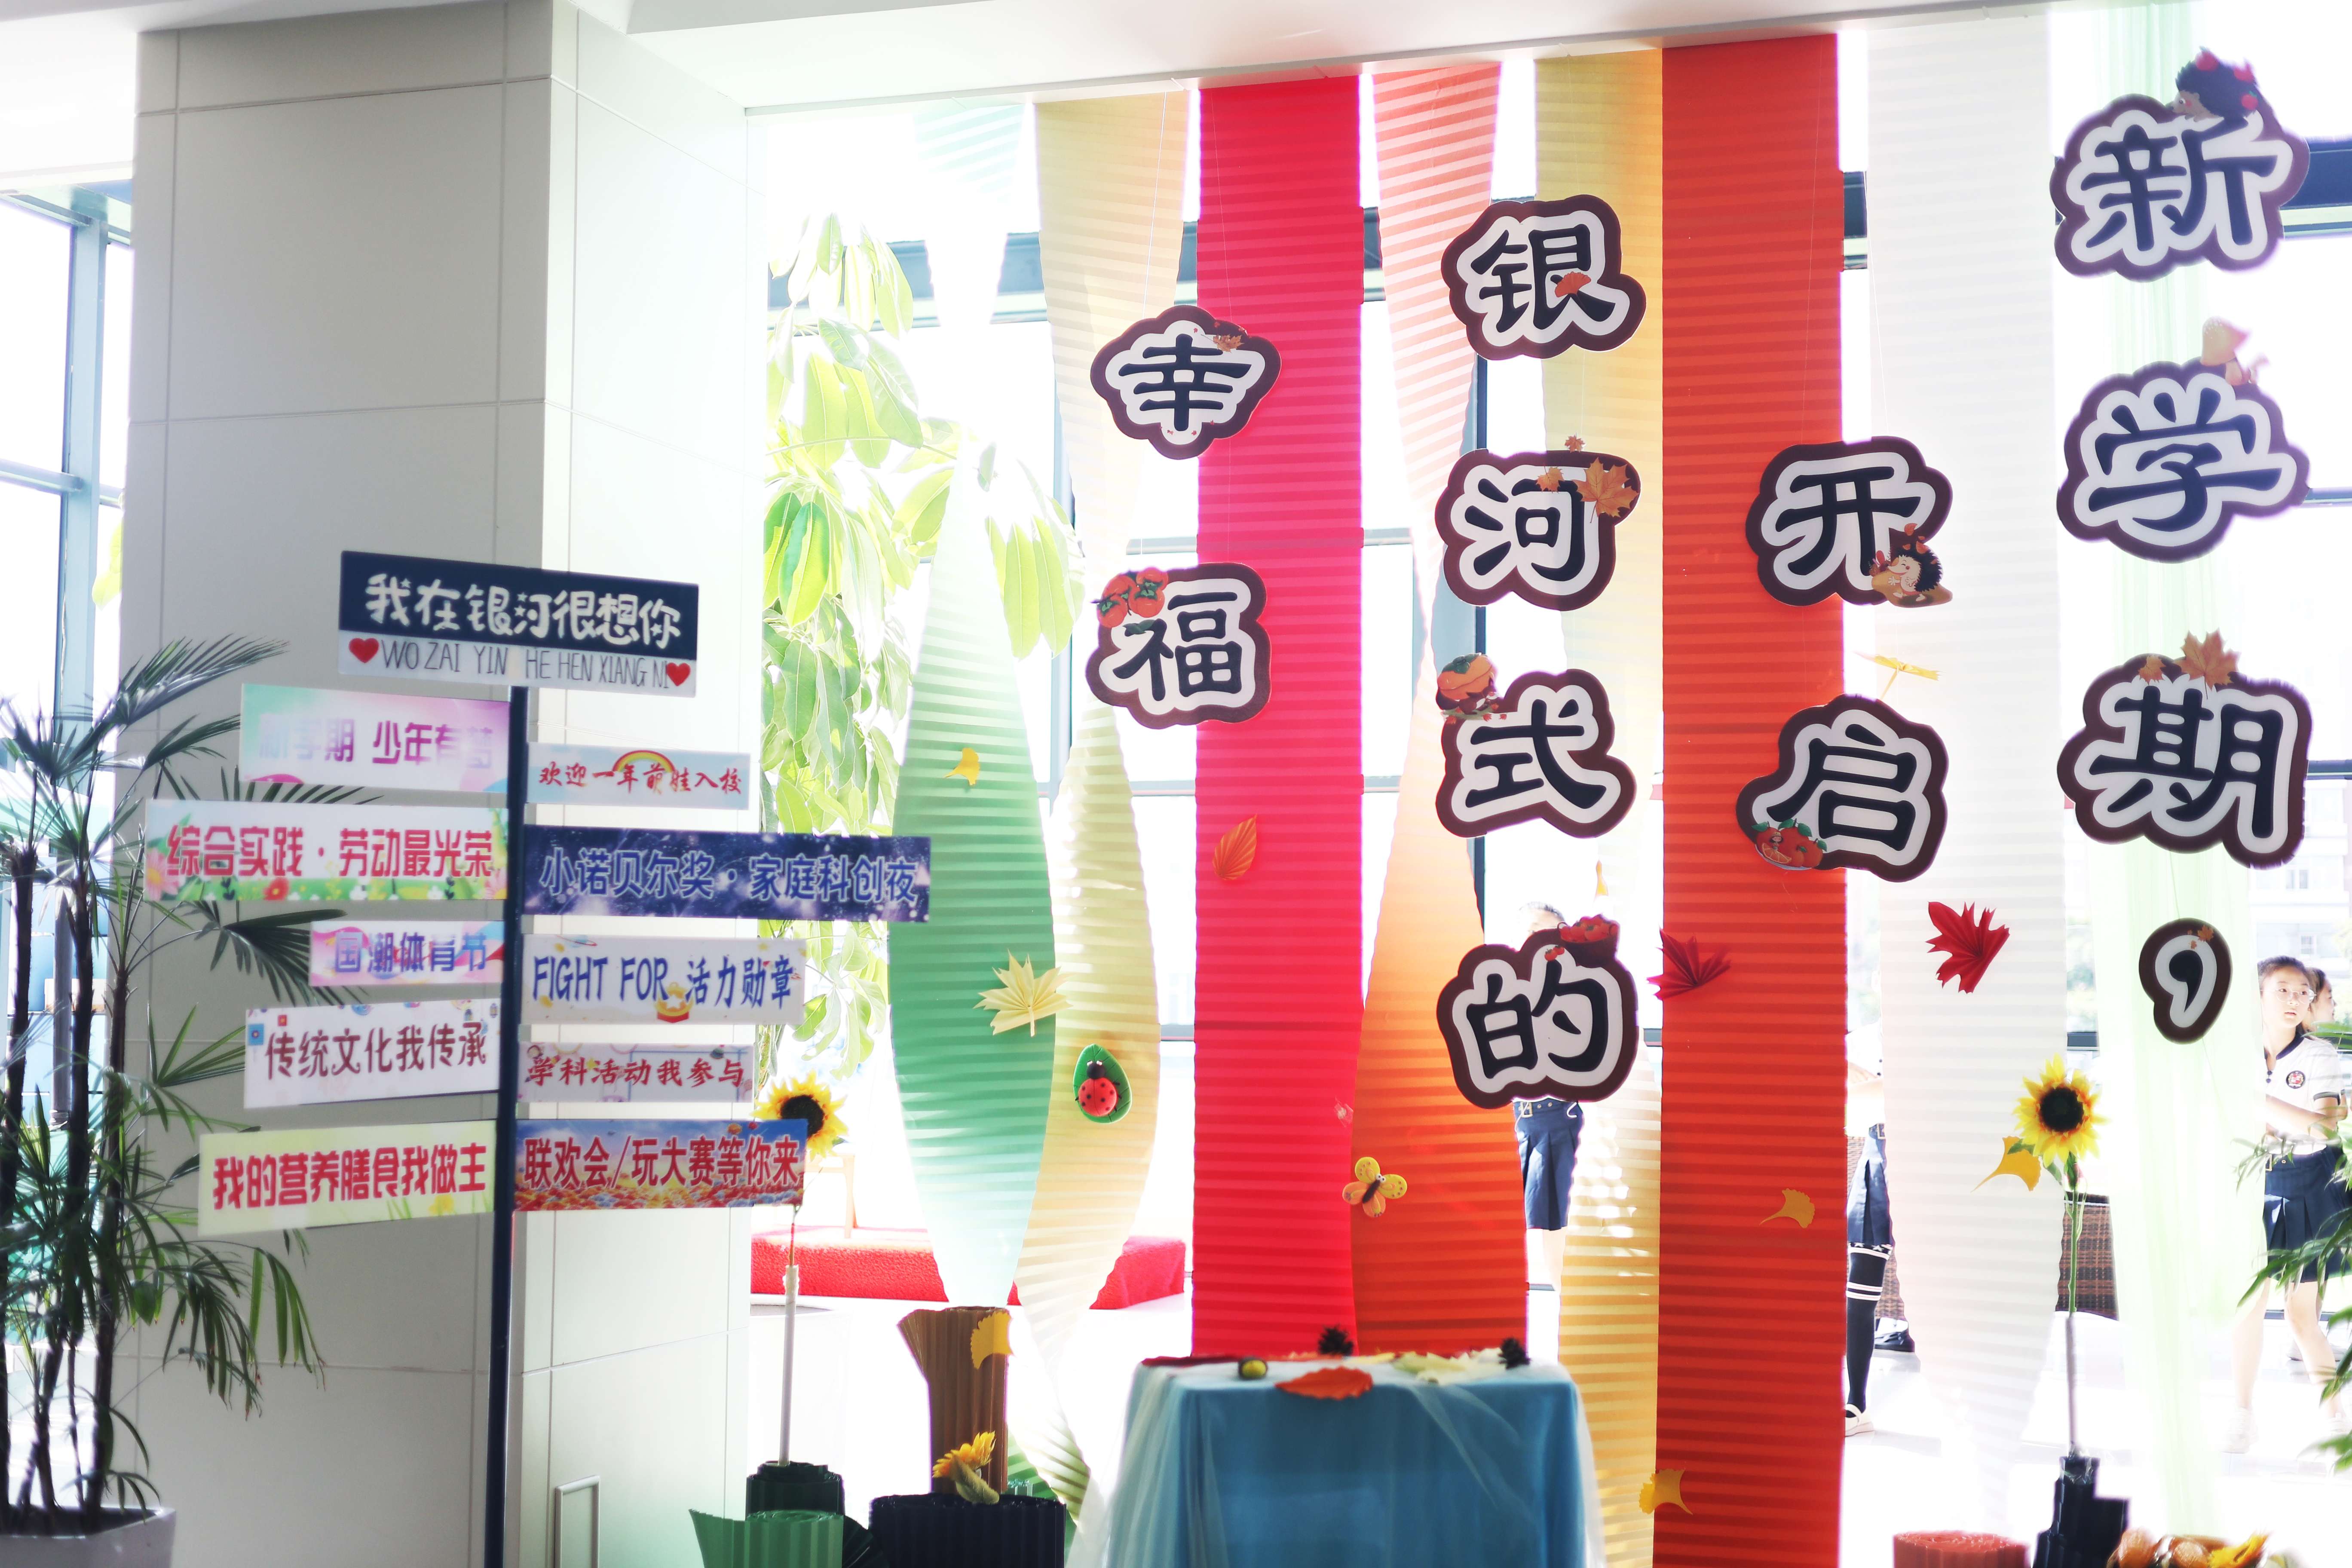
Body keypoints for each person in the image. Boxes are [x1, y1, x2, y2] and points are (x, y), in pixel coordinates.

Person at [2224, 956, 2349, 1453]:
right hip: (2254, 1184)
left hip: (2308, 1184)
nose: (2294, 1000)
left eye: (2302, 992)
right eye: (2282, 990)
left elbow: (2324, 1128)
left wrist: (2259, 1105)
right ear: (2258, 996)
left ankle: (2336, 1419)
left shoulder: (2320, 1055)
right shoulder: (2237, 1054)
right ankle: (2242, 1415)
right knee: (2248, 1305)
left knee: (2300, 1314)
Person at [1514, 903, 1583, 1293]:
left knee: (1559, 1233)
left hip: (1561, 1118)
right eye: (1530, 931)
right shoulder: (1502, 992)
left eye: (1548, 933)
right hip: (1515, 1123)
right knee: (1520, 1233)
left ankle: (1566, 1314)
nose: (1537, 941)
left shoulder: (1577, 988)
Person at [1845, 1051, 1892, 1437]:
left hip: (1931, 1168)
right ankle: (1856, 1404)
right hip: (1876, 1164)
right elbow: (1853, 1112)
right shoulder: (1864, 1041)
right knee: (1859, 1290)